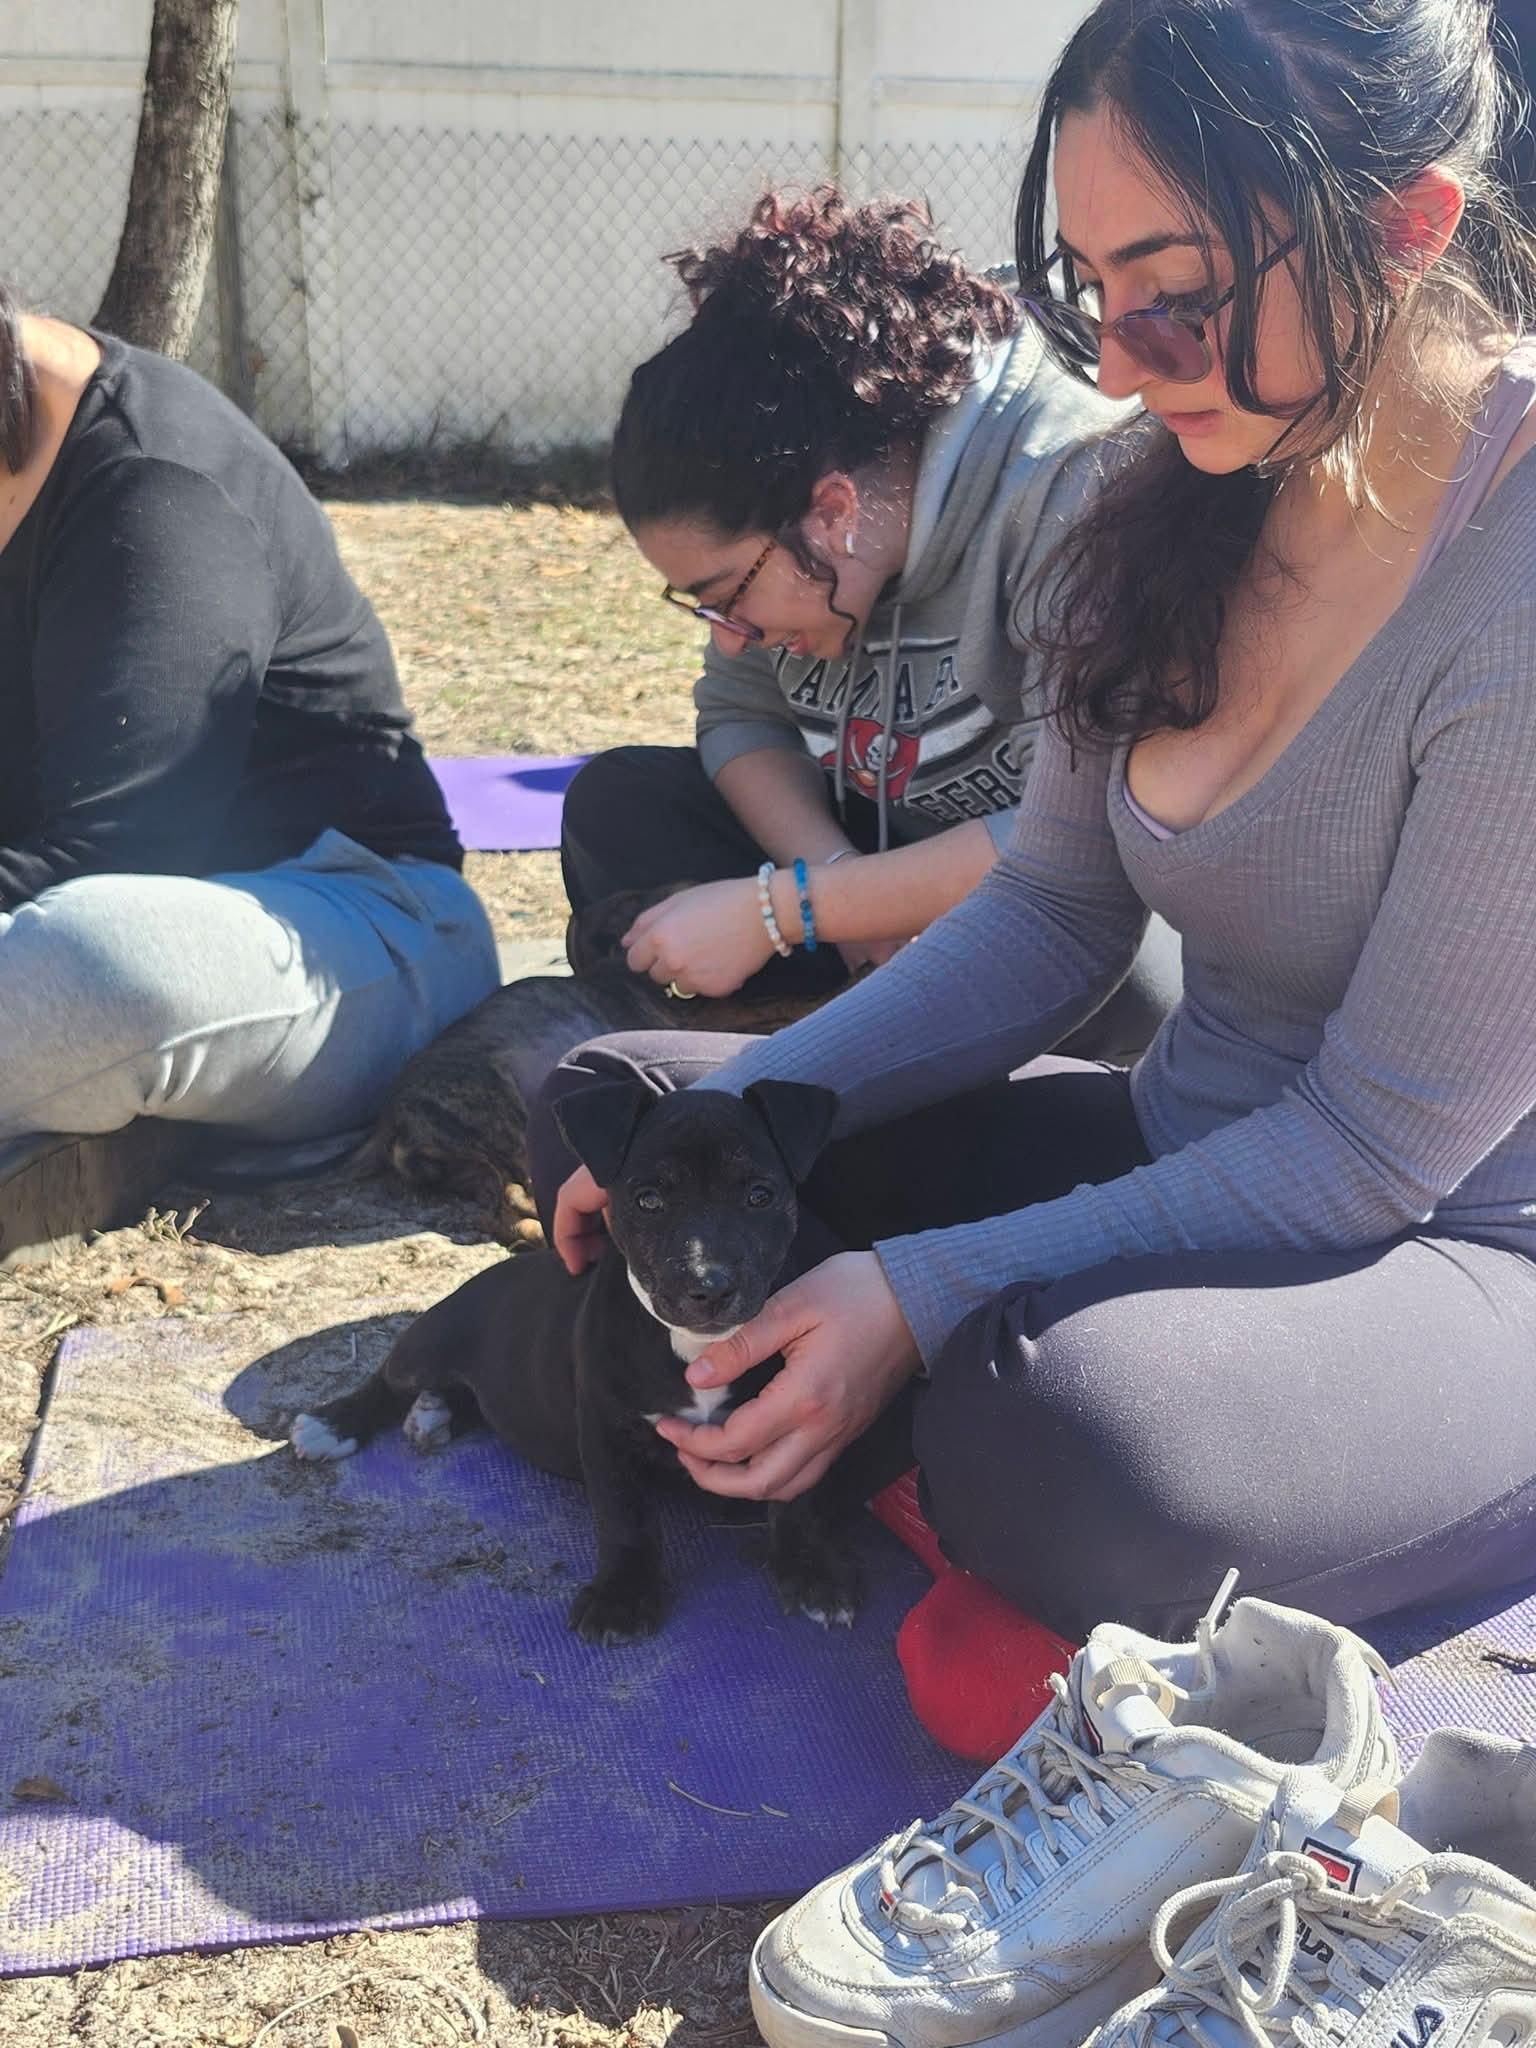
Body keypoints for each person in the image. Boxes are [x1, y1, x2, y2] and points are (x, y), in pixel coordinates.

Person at [540, 0, 1536, 1660]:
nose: (1124, 361)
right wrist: (738, 1108)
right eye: (1092, 292)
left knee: (1061, 1443)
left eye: (1181, 291)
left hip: (1459, 1247)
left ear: (1407, 227)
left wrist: (926, 1290)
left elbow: (1372, 1150)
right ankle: (958, 1469)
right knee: (635, 1121)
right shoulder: (1155, 492)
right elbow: (1056, 908)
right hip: (1182, 1143)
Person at [560, 187, 1180, 1059]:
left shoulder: (1073, 490)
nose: (727, 633)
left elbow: (1077, 843)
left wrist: (787, 910)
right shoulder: (783, 510)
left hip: (1051, 882)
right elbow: (740, 714)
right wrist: (844, 891)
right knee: (615, 807)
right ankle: (844, 1034)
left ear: (833, 509)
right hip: (881, 854)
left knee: (1138, 987)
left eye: (727, 592)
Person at [0, 302, 498, 1166]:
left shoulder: (157, 482)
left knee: (83, 967)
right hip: (95, 921)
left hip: (353, 931)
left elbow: (119, 854)